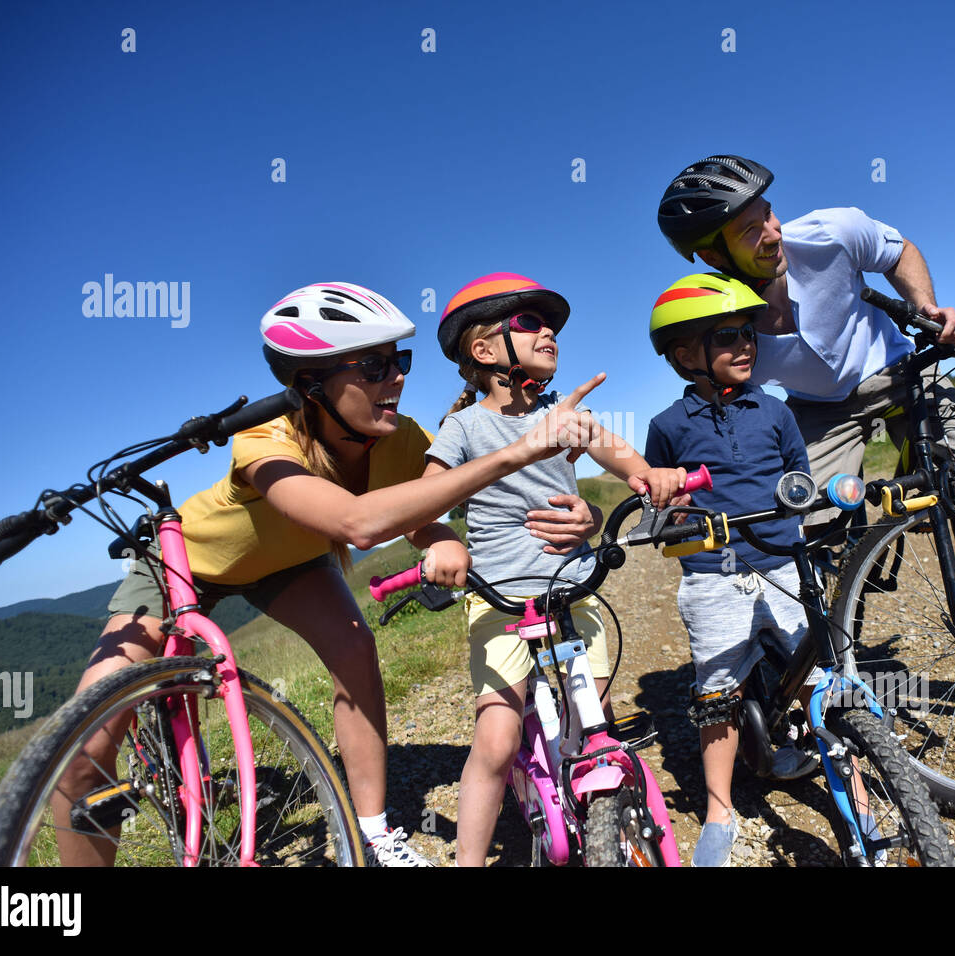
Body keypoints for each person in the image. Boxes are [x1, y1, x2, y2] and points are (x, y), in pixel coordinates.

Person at [56, 281, 600, 867]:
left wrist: (444, 534)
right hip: (189, 558)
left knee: (355, 651)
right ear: (310, 383)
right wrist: (514, 453)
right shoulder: (265, 436)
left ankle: (373, 832)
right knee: (90, 730)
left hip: (292, 562)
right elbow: (356, 524)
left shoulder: (405, 439)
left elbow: (419, 512)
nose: (396, 377)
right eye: (373, 365)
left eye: (399, 361)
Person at [656, 155, 955, 738]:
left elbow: (899, 250)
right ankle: (814, 670)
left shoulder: (831, 231)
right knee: (801, 528)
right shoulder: (716, 311)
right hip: (816, 407)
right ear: (713, 254)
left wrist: (928, 309)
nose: (773, 231)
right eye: (750, 230)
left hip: (897, 370)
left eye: (768, 214)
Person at [424, 272, 685, 867]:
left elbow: (627, 462)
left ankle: (605, 815)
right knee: (496, 739)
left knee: (597, 711)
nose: (548, 333)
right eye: (528, 323)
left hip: (572, 590)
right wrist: (437, 543)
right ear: (484, 351)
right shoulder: (465, 427)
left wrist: (655, 479)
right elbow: (426, 502)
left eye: (551, 325)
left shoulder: (566, 415)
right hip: (503, 602)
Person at [643, 272, 823, 866]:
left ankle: (827, 765)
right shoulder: (668, 426)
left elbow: (799, 480)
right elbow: (658, 502)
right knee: (718, 690)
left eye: (748, 333)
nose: (745, 345)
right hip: (712, 573)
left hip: (781, 563)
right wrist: (668, 508)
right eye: (727, 336)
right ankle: (720, 807)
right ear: (685, 355)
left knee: (814, 670)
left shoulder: (774, 412)